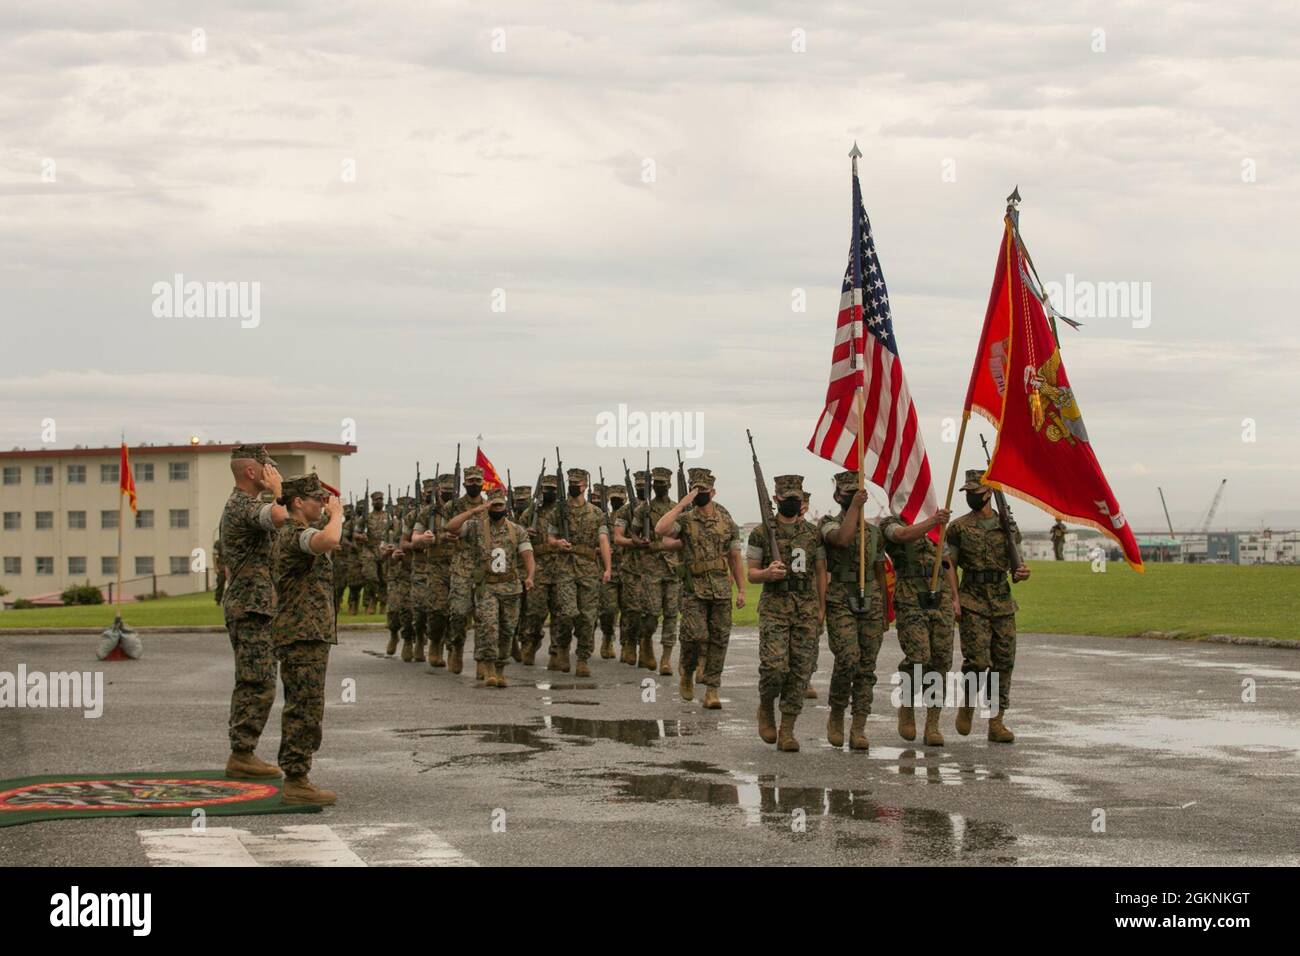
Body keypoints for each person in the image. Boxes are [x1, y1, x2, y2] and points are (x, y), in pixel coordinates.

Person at [270, 474, 343, 805]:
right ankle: (296, 780)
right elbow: (327, 541)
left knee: (306, 705)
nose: (323, 504)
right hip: (302, 633)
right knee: (304, 708)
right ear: (298, 502)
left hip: (307, 632)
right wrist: (337, 516)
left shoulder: (298, 532)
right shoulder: (295, 534)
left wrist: (331, 520)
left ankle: (298, 776)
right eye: (317, 498)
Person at [946, 470, 1031, 743]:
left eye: (976, 492)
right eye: (968, 492)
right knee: (978, 661)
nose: (971, 497)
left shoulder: (1007, 527)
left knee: (1004, 662)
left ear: (989, 494)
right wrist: (955, 598)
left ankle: (996, 721)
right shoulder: (958, 528)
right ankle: (968, 704)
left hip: (1003, 602)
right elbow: (950, 566)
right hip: (973, 600)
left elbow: (1017, 565)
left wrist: (1022, 573)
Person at [219, 444, 288, 780]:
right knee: (256, 681)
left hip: (256, 604)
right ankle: (242, 754)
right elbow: (278, 516)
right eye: (268, 469)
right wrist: (279, 492)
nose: (273, 473)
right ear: (251, 471)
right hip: (250, 605)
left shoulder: (247, 503)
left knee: (257, 679)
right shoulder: (242, 505)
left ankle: (243, 751)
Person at [655, 468, 746, 708]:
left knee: (719, 640)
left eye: (703, 491)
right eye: (695, 492)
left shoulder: (727, 522)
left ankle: (712, 690)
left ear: (713, 492)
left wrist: (742, 589)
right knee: (693, 635)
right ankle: (687, 671)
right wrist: (682, 503)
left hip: (720, 588)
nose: (700, 495)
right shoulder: (685, 520)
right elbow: (660, 530)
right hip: (694, 588)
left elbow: (735, 556)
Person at [747, 475, 826, 751]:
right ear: (776, 500)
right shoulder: (760, 533)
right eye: (787, 498)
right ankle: (766, 705)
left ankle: (788, 730)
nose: (792, 502)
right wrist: (767, 573)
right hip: (775, 606)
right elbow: (751, 574)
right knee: (774, 666)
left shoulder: (813, 534)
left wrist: (822, 607)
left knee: (800, 670)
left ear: (801, 500)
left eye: (796, 498)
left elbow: (819, 572)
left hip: (805, 606)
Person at [819, 472, 888, 751]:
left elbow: (879, 571)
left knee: (866, 666)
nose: (851, 497)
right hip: (841, 598)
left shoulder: (874, 533)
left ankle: (859, 725)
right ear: (838, 497)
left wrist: (885, 607)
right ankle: (837, 711)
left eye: (856, 493)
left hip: (871, 600)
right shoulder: (827, 524)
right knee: (848, 658)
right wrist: (855, 508)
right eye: (846, 494)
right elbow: (843, 540)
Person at [880, 502, 956, 747]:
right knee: (919, 656)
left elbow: (946, 562)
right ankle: (908, 705)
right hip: (911, 595)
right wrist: (933, 522)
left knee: (941, 660)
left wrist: (955, 597)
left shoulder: (935, 526)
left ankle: (932, 724)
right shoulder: (891, 523)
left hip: (939, 595)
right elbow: (902, 536)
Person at [443, 488, 535, 688]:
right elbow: (450, 528)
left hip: (511, 587)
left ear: (506, 507)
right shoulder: (476, 527)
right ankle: (489, 668)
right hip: (487, 587)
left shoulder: (516, 530)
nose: (496, 509)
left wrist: (530, 576)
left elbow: (527, 554)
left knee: (507, 630)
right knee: (488, 627)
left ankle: (501, 669)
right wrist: (474, 511)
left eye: (500, 505)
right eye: (492, 505)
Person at [548, 468, 612, 677]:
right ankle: (563, 648)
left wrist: (608, 567)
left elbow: (603, 541)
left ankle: (583, 657)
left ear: (585, 485)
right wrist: (558, 543)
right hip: (565, 567)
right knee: (567, 613)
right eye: (570, 482)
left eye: (577, 483)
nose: (573, 486)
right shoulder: (559, 510)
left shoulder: (597, 513)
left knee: (587, 617)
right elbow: (550, 537)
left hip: (588, 569)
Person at [519, 475, 576, 670]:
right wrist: (527, 532)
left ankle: (557, 652)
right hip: (539, 566)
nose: (548, 492)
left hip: (561, 567)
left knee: (560, 613)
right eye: (545, 489)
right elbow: (518, 538)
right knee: (535, 612)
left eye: (552, 489)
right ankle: (530, 645)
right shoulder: (530, 513)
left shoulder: (564, 512)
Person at [632, 466, 683, 675]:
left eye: (662, 483)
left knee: (671, 614)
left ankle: (666, 658)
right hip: (650, 567)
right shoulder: (643, 509)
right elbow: (633, 533)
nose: (659, 487)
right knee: (651, 613)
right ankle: (645, 641)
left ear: (669, 485)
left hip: (672, 568)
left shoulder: (677, 509)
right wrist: (640, 542)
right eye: (656, 483)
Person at [444, 467, 486, 675]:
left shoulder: (490, 505)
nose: (474, 484)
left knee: (483, 616)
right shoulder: (455, 505)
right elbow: (448, 529)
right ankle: (456, 648)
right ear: (464, 483)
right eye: (470, 481)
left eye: (477, 480)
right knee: (459, 613)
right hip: (461, 566)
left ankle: (481, 659)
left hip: (484, 569)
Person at [612, 470, 652, 667]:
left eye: (644, 487)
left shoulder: (660, 509)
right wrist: (634, 542)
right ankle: (629, 644)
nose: (641, 490)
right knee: (632, 610)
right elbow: (618, 538)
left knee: (651, 612)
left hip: (655, 569)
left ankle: (646, 645)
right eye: (638, 487)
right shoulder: (624, 512)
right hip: (632, 568)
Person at [591, 484, 621, 658]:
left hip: (625, 568)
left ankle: (618, 642)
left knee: (629, 612)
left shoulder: (625, 516)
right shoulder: (599, 518)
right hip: (602, 568)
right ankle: (604, 637)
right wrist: (599, 550)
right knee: (608, 609)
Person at [212, 532, 226, 605]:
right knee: (220, 584)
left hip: (230, 566)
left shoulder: (231, 541)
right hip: (222, 567)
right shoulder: (218, 543)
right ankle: (218, 600)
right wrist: (215, 568)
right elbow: (214, 555)